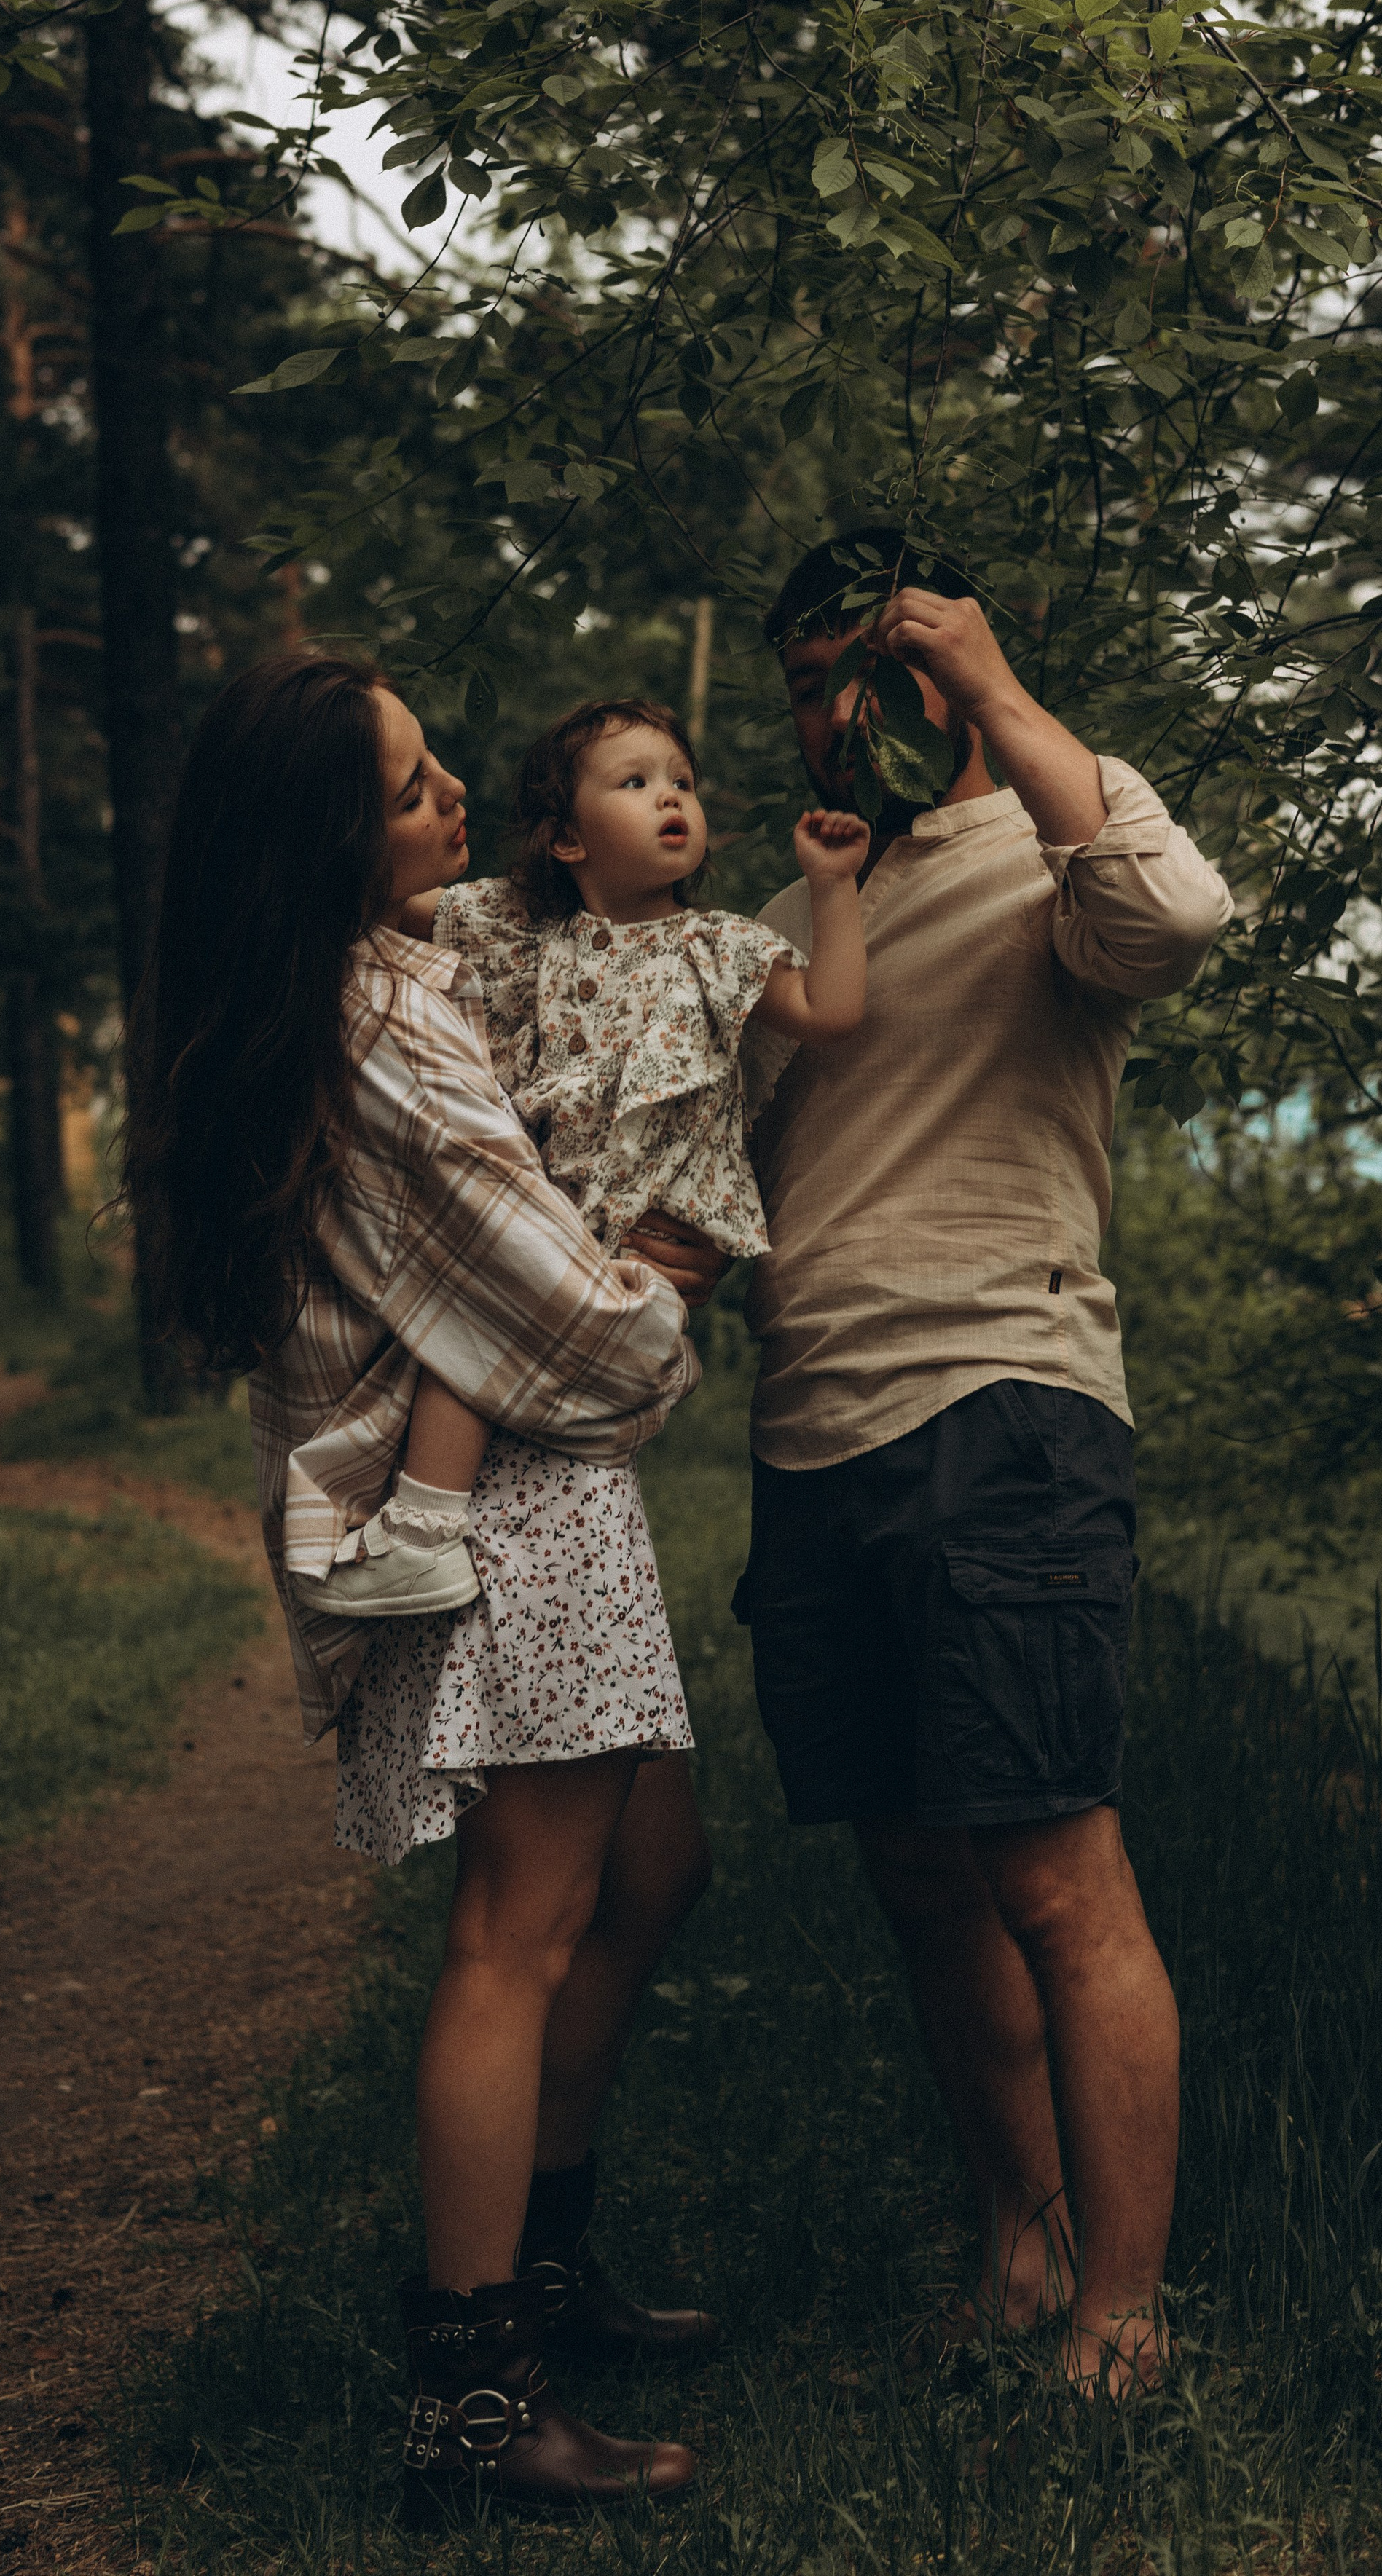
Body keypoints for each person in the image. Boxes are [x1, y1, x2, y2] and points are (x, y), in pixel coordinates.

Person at [131, 650, 729, 2516]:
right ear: (328, 841)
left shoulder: (388, 976)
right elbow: (562, 1304)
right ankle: (475, 2399)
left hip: (527, 1502)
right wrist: (665, 1291)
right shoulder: (377, 1024)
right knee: (515, 1930)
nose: (452, 793)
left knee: (650, 1862)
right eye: (405, 789)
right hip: (510, 1523)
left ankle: (540, 2269)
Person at [735, 529, 1236, 2398]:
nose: (828, 717)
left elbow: (1176, 922)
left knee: (1049, 1872)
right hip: (813, 1435)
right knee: (918, 1876)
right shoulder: (797, 912)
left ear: (938, 669)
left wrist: (1001, 686)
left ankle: (1123, 2309)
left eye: (862, 670)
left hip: (1003, 1410)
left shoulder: (1058, 842)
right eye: (800, 687)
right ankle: (1017, 2249)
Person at [304, 693, 869, 1617]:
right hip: (555, 1213)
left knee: (471, 1344)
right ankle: (430, 1523)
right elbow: (389, 911)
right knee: (461, 1341)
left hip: (641, 1229)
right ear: (567, 839)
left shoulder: (718, 946)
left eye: (679, 781)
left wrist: (833, 884)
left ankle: (423, 1528)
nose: (669, 798)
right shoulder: (522, 927)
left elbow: (833, 1012)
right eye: (635, 783)